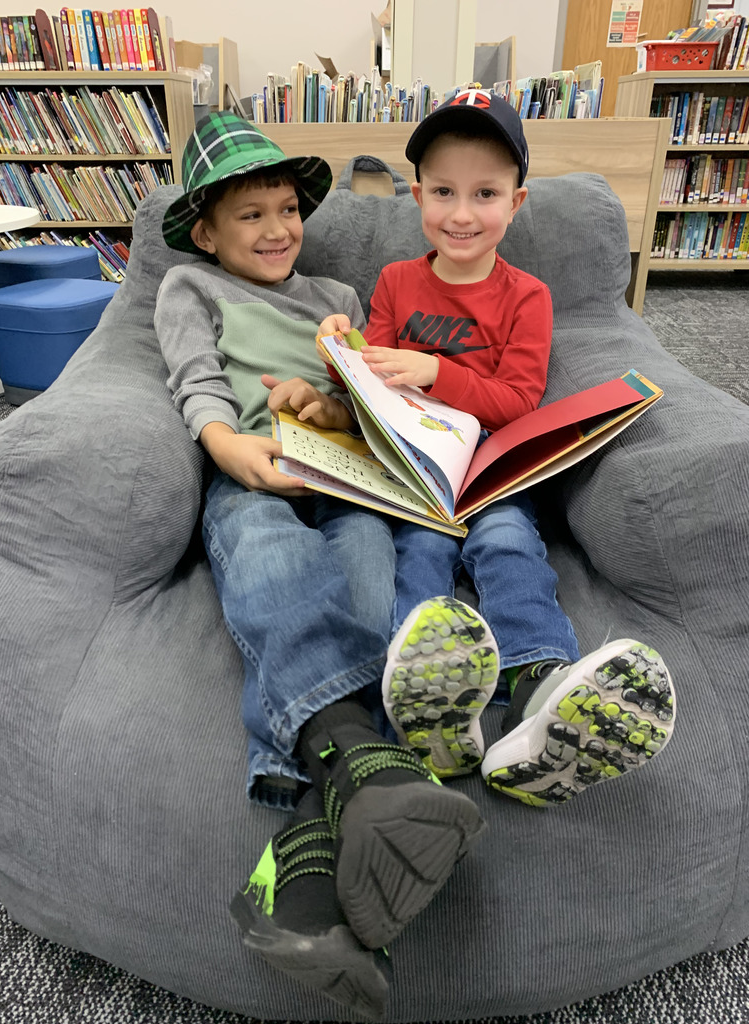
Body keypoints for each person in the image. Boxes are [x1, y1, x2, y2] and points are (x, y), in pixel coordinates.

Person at [155, 111, 489, 1021]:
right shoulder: (189, 285)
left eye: (287, 209)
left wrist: (330, 397)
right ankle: (358, 793)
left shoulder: (337, 291)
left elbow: (363, 410)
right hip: (257, 473)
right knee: (270, 568)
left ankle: (315, 858)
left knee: (375, 605)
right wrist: (227, 447)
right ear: (208, 232)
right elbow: (195, 380)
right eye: (250, 215)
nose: (275, 229)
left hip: (345, 478)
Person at [318, 88, 676, 810]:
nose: (461, 213)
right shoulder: (394, 282)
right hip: (418, 474)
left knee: (510, 542)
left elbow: (517, 399)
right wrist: (341, 351)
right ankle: (415, 714)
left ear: (516, 203)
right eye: (444, 191)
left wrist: (437, 372)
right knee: (417, 560)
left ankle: (541, 693)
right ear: (417, 196)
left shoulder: (527, 297)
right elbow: (373, 383)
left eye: (484, 194)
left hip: (491, 470)